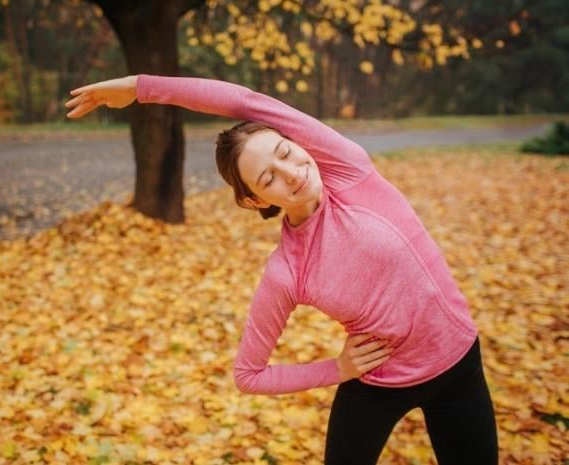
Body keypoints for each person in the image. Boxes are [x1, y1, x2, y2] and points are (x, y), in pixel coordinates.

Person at [64, 74, 499, 465]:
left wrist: (140, 87)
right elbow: (248, 376)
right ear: (255, 200)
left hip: (458, 363)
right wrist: (338, 368)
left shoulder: (349, 170)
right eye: (268, 178)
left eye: (286, 153)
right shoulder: (287, 272)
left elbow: (244, 101)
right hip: (377, 383)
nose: (291, 173)